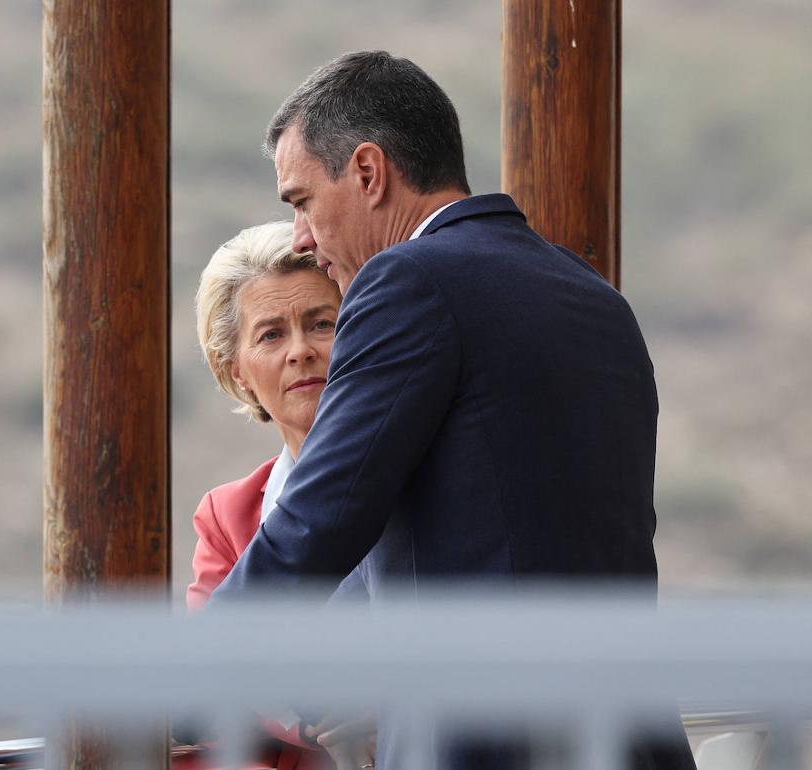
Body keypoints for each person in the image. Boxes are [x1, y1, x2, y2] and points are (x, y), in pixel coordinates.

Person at [207, 51, 695, 770]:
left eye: (302, 201)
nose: (303, 237)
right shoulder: (594, 296)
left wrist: (182, 665)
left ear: (369, 173)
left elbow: (323, 518)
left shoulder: (406, 282)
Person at [188, 220, 371, 770]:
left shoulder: (436, 475)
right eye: (270, 335)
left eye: (322, 324)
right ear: (236, 372)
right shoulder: (228, 515)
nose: (302, 351)